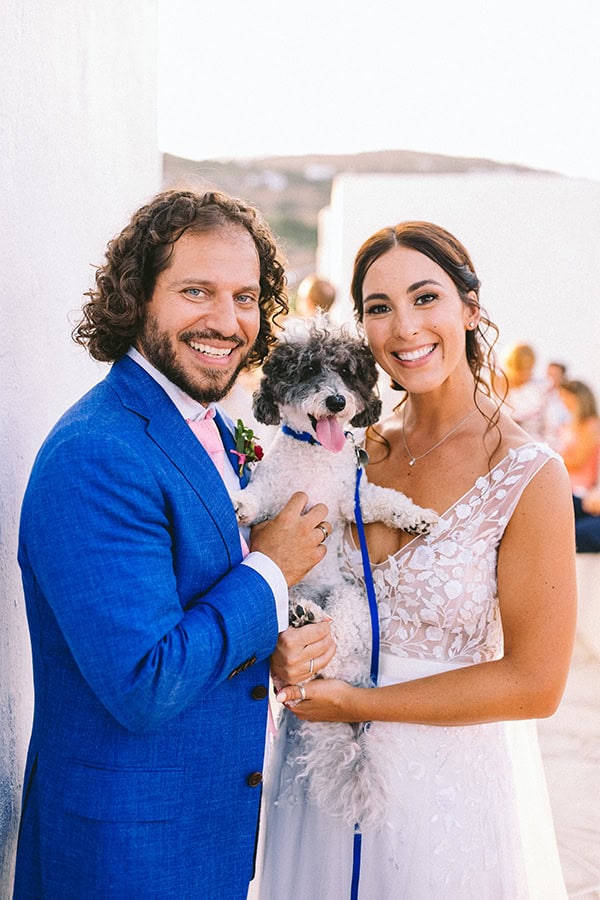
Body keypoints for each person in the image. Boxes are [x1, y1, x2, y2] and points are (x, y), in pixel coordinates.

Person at [13, 188, 336, 899]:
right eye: (197, 291)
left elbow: (207, 609)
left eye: (246, 297)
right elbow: (145, 680)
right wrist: (271, 572)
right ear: (138, 297)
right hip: (125, 857)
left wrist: (274, 642)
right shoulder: (97, 453)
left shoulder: (215, 428)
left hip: (207, 843)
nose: (226, 322)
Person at [259, 221, 577, 898]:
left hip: (444, 798)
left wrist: (362, 702)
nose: (404, 328)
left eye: (425, 297)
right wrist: (281, 644)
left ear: (469, 308)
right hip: (314, 778)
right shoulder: (343, 448)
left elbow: (536, 683)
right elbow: (284, 572)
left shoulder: (528, 473)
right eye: (379, 308)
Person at [558, 378, 600, 552]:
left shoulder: (591, 425)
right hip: (567, 484)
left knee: (570, 533)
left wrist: (555, 458)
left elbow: (578, 459)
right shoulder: (569, 425)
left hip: (581, 489)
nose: (564, 404)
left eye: (567, 399)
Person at [500, 342, 548, 440]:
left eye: (529, 368)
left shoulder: (536, 393)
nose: (526, 374)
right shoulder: (493, 387)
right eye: (521, 369)